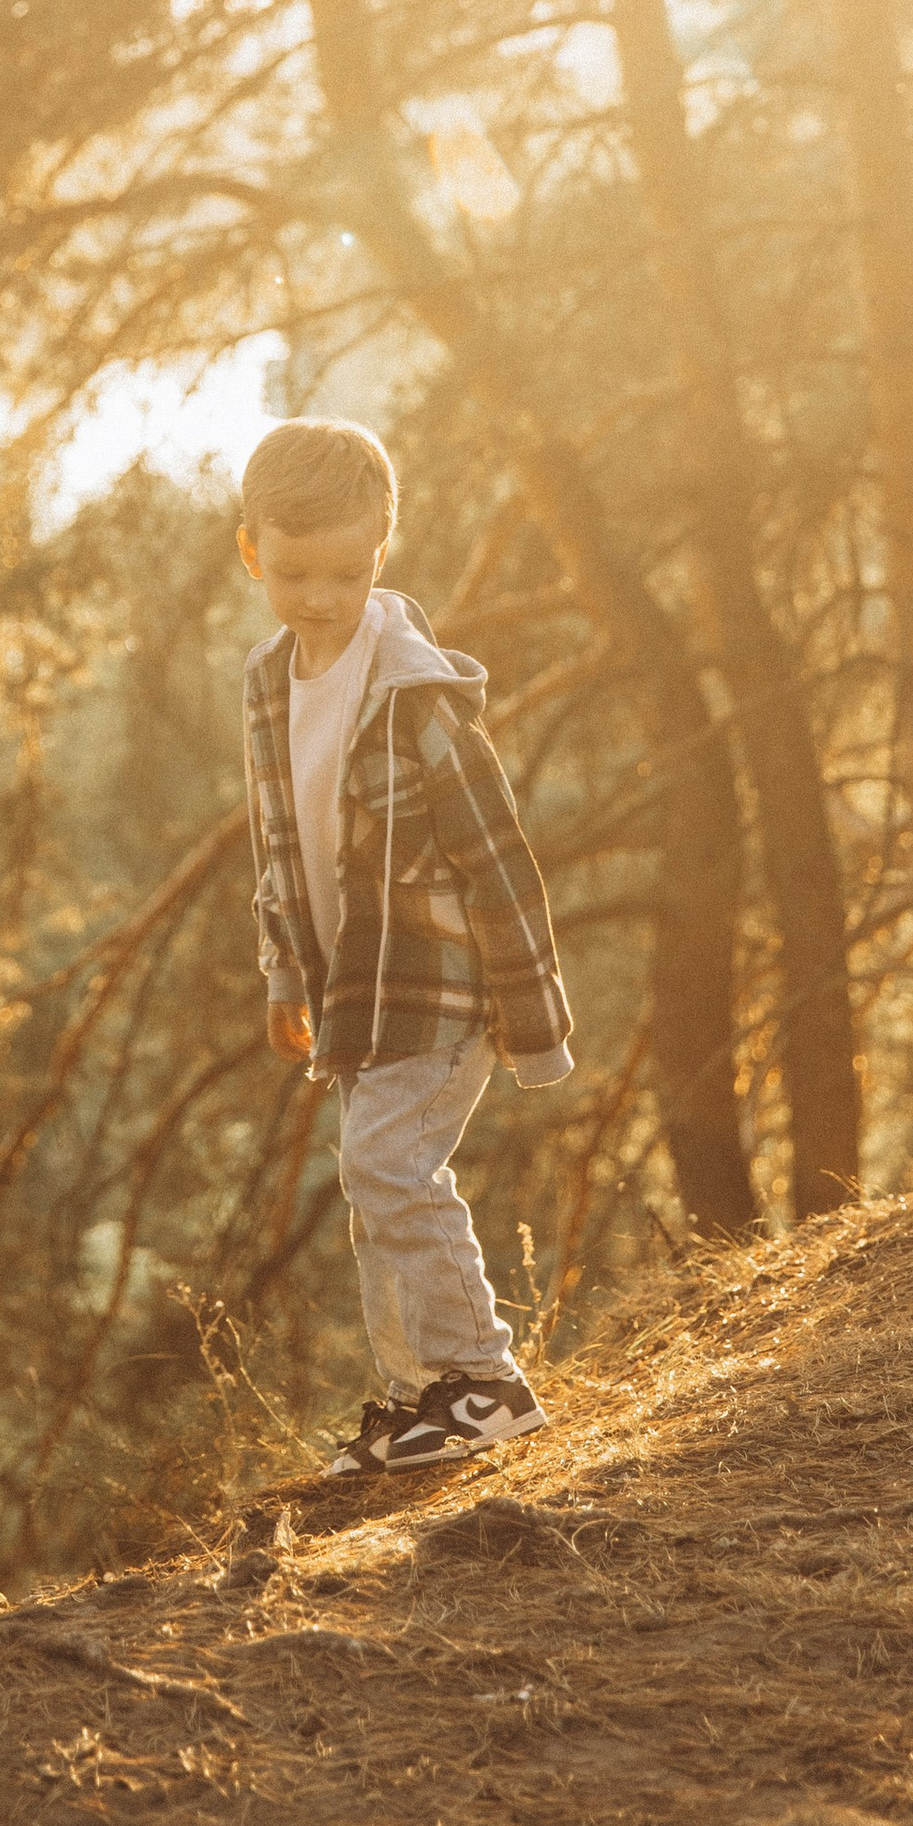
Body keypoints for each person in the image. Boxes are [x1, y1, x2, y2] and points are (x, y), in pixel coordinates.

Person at [236, 416, 574, 1475]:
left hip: (442, 984)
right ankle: (412, 1400)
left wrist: (535, 1024)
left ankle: (483, 1381)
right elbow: (278, 845)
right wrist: (287, 972)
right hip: (354, 993)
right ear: (249, 549)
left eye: (345, 571)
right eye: (293, 573)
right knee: (372, 1182)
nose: (318, 597)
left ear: (384, 542)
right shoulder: (265, 683)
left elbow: (499, 857)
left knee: (389, 1163)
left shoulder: (417, 697)